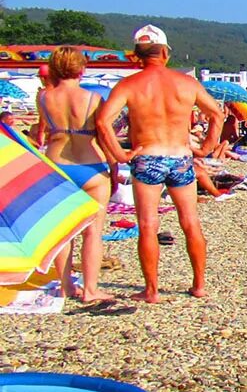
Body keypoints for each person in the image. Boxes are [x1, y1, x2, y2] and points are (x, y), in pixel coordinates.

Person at [96, 26, 224, 303]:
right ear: (165, 52)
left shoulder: (129, 85)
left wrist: (120, 154)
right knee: (190, 222)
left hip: (148, 156)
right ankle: (199, 285)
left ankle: (151, 290)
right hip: (180, 157)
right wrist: (206, 148)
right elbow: (216, 114)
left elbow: (102, 121)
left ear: (136, 56)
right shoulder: (186, 83)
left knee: (147, 224)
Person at [38, 47, 115, 303]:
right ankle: (91, 290)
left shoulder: (44, 99)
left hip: (57, 166)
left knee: (64, 231)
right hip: (90, 165)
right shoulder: (93, 99)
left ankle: (66, 286)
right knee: (93, 232)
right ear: (81, 68)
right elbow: (104, 137)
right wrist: (114, 168)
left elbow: (43, 133)